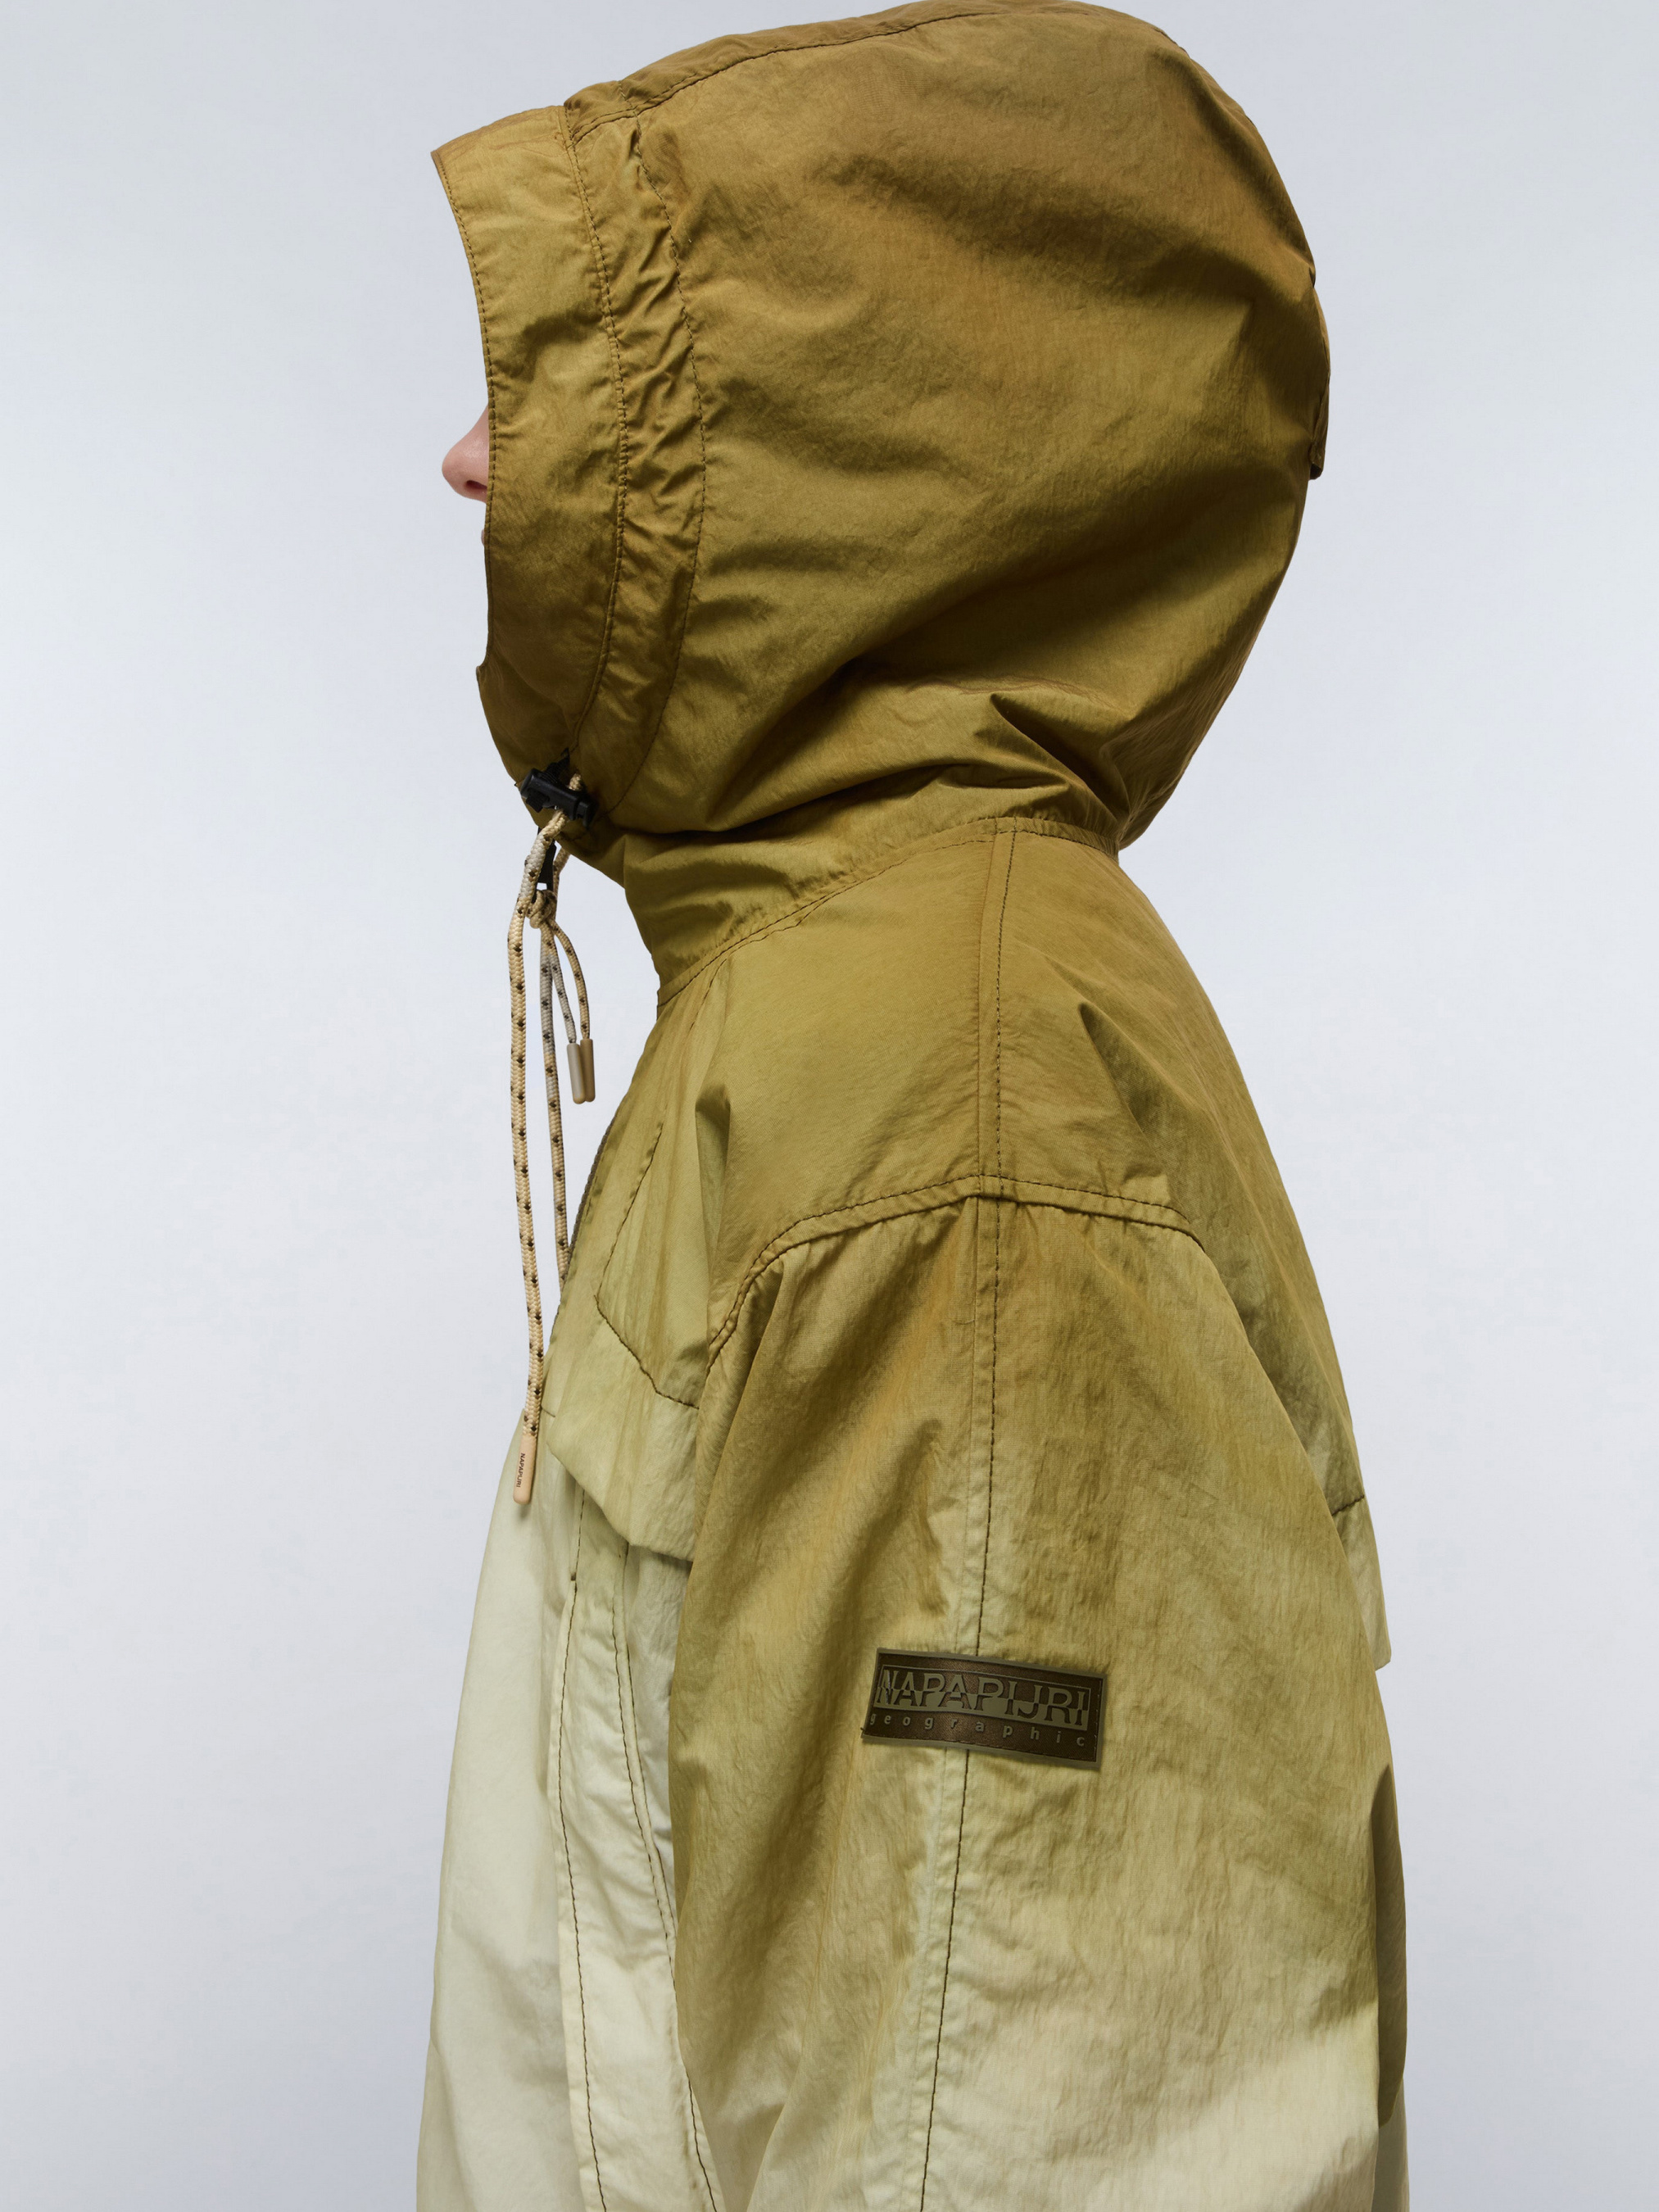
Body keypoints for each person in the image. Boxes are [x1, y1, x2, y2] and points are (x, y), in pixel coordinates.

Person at [417, 5, 1407, 2208]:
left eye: (570, 386)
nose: (472, 464)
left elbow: (1032, 2136)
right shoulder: (829, 999)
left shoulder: (955, 1111)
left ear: (821, 476)